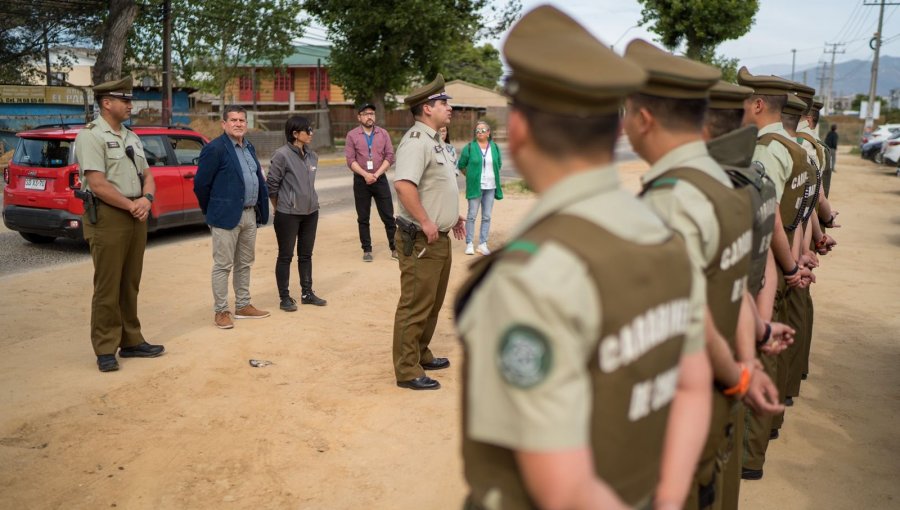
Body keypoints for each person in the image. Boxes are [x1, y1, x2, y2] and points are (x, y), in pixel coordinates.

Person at [457, 7, 712, 509]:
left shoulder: (535, 275)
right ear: (617, 132)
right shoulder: (663, 231)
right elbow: (693, 384)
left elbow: (567, 491)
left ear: (521, 130)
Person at [624, 41, 787, 510]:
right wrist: (750, 352)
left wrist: (738, 374)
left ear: (645, 118)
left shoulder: (671, 201)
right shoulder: (731, 185)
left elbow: (687, 314)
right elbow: (736, 284)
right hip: (714, 404)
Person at [74, 76, 165, 372]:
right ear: (106, 103)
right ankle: (104, 348)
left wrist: (146, 199)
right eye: (124, 100)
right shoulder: (91, 136)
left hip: (135, 212)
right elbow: (97, 184)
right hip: (109, 215)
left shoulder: (131, 136)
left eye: (130, 99)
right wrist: (132, 205)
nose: (130, 105)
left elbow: (147, 174)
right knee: (107, 285)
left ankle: (131, 341)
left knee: (130, 283)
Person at [391, 73, 465, 391]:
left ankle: (420, 352)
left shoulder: (436, 142)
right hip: (421, 238)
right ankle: (407, 369)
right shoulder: (416, 142)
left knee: (432, 302)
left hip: (438, 236)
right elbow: (404, 186)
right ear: (426, 108)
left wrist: (451, 216)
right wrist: (426, 220)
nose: (448, 107)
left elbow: (435, 188)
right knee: (415, 303)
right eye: (443, 103)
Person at [194, 105, 270, 329]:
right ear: (223, 124)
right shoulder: (215, 149)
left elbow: (256, 178)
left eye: (242, 120)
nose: (238, 124)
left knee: (245, 263)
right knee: (223, 265)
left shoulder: (249, 147)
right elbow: (201, 185)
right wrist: (212, 211)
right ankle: (221, 311)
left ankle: (243, 305)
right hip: (225, 218)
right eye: (233, 120)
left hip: (249, 215)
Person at [266, 116, 327, 312]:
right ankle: (284, 297)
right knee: (285, 256)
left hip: (311, 212)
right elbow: (272, 186)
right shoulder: (281, 155)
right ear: (295, 133)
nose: (311, 133)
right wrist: (279, 206)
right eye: (307, 130)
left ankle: (307, 293)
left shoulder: (312, 156)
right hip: (288, 214)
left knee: (306, 255)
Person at [344, 103, 397, 262]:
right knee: (363, 217)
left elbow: (390, 157)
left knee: (388, 215)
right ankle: (367, 249)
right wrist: (366, 175)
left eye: (372, 114)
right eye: (366, 114)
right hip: (361, 180)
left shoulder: (383, 134)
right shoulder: (352, 135)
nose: (370, 117)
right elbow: (350, 160)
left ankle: (394, 248)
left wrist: (376, 174)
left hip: (380, 179)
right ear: (359, 117)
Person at [457, 120, 503, 256]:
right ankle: (469, 243)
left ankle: (483, 244)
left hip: (491, 187)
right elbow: (461, 165)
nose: (480, 132)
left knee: (487, 216)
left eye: (483, 130)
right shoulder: (469, 147)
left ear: (488, 133)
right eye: (477, 130)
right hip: (475, 187)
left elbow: (498, 164)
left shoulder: (495, 147)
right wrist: (470, 176)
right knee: (471, 216)